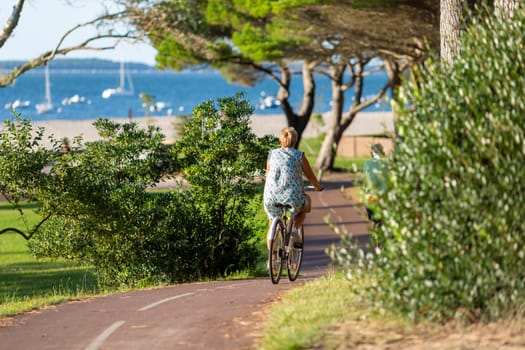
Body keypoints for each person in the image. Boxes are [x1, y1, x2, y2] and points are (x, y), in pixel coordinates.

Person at [263, 127, 323, 255]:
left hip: (270, 195)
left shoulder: (272, 154)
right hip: (292, 195)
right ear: (295, 141)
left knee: (272, 221)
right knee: (304, 207)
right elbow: (310, 176)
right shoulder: (299, 155)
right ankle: (295, 229)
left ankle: (271, 261)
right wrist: (317, 186)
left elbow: (268, 173)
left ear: (281, 140)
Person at [362, 143, 387, 225]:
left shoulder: (367, 164)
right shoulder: (388, 163)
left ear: (372, 152)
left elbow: (365, 181)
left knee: (373, 219)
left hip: (371, 195)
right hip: (385, 195)